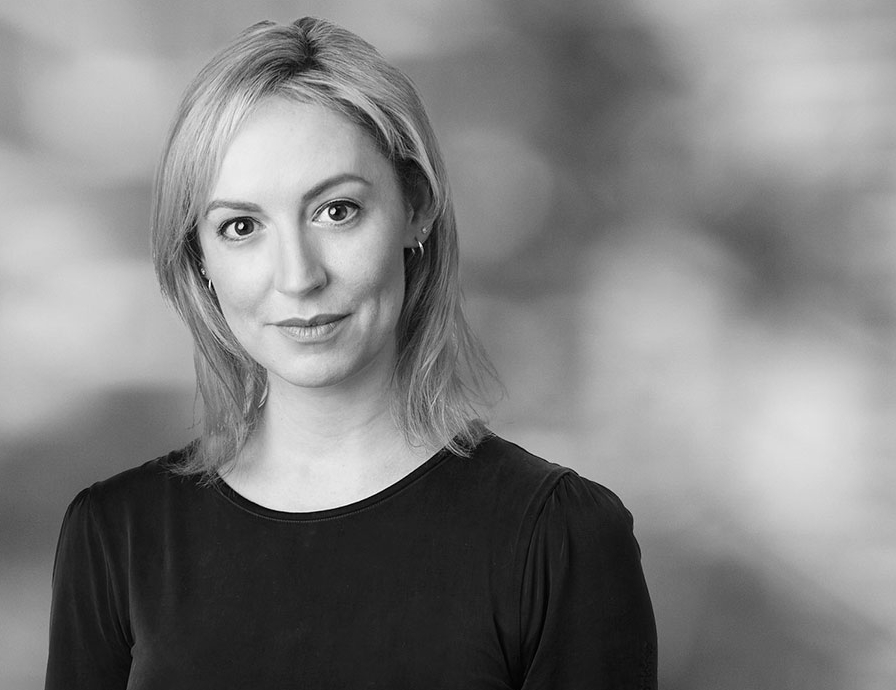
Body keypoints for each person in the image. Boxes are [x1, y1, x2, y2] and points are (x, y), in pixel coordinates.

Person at [45, 17, 656, 690]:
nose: (298, 276)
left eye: (336, 211)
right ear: (199, 259)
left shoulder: (558, 538)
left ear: (416, 208)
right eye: (242, 226)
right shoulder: (116, 537)